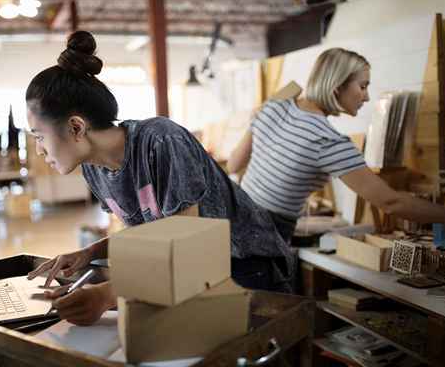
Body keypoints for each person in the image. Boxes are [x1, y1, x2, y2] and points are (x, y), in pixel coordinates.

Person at [24, 31, 295, 326]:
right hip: (194, 273)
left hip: (244, 266)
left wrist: (105, 296)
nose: (38, 149)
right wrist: (89, 253)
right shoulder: (93, 168)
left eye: (39, 136)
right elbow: (152, 234)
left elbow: (187, 249)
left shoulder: (161, 141)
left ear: (76, 127)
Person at [227, 47, 445, 233]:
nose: (366, 96)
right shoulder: (328, 141)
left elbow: (234, 164)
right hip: (267, 237)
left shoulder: (276, 103)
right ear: (336, 86)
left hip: (235, 221)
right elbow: (391, 202)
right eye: (362, 86)